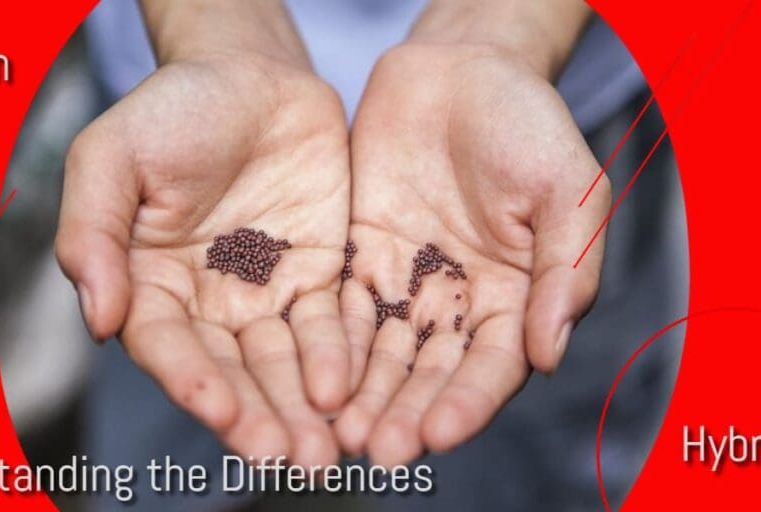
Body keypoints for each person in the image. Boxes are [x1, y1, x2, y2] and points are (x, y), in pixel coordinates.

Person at [58, 0, 688, 510]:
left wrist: (503, 25)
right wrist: (209, 23)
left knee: (507, 468)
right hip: (195, 154)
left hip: (531, 135)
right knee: (169, 437)